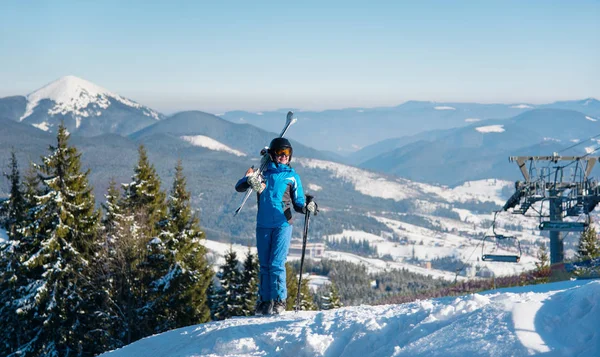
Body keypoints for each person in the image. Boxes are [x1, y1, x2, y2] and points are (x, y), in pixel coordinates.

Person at [235, 137, 317, 315]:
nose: (283, 157)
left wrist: (308, 207)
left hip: (282, 224)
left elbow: (299, 203)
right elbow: (239, 186)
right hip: (263, 225)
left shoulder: (292, 177)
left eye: (287, 153)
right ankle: (265, 302)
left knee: (276, 264)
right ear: (272, 155)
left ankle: (279, 301)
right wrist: (249, 180)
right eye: (280, 153)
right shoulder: (262, 173)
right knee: (264, 264)